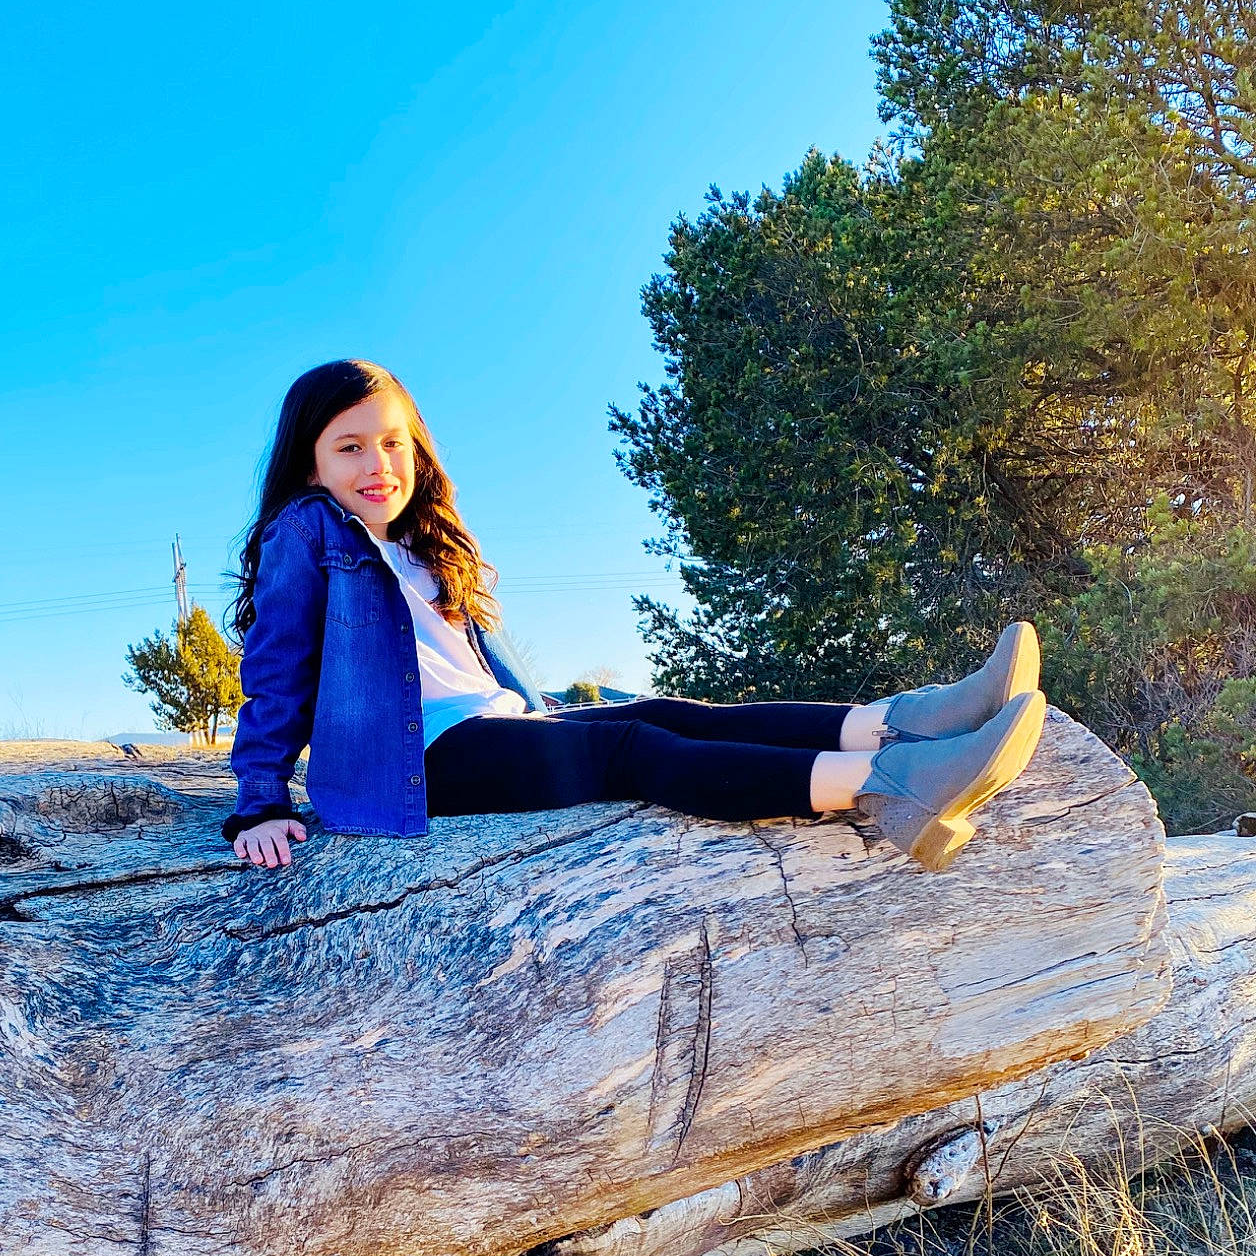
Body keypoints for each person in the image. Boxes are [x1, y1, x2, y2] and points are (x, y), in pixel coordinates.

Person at [224, 359, 1046, 875]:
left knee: (672, 711)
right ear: (311, 462)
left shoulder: (415, 546)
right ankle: (896, 785)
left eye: (394, 442)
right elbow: (276, 670)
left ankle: (914, 723)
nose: (380, 464)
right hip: (419, 763)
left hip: (495, 727)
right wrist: (260, 801)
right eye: (351, 447)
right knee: (629, 747)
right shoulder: (307, 532)